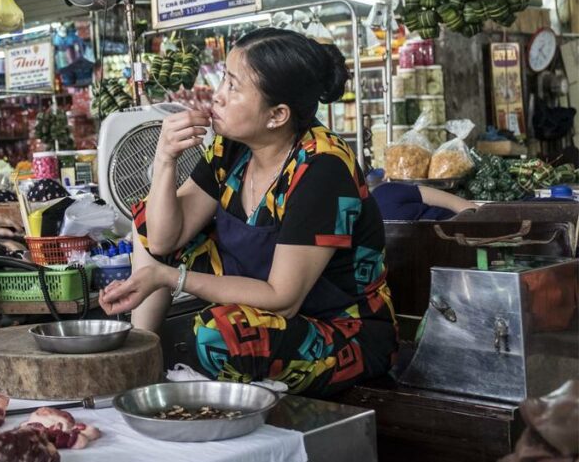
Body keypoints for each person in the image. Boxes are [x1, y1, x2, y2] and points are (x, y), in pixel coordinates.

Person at [99, 29, 398, 398]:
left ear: (277, 115)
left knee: (216, 335)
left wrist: (170, 278)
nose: (217, 96)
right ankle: (139, 363)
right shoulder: (232, 149)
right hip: (268, 311)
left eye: (234, 87)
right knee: (149, 218)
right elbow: (161, 238)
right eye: (223, 79)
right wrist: (164, 159)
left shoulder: (323, 169)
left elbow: (282, 298)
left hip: (339, 332)